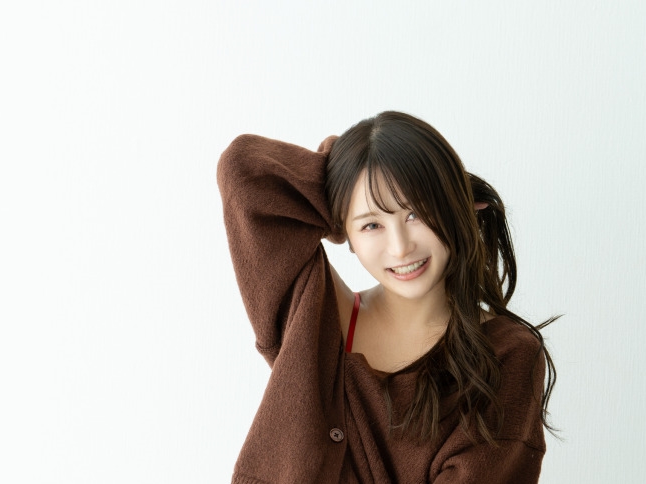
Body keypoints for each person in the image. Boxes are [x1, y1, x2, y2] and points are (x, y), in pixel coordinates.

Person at [216, 111, 557, 483]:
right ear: (344, 231)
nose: (400, 247)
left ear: (456, 208)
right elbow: (242, 170)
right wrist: (349, 170)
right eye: (371, 224)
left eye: (416, 214)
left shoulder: (507, 354)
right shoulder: (317, 322)